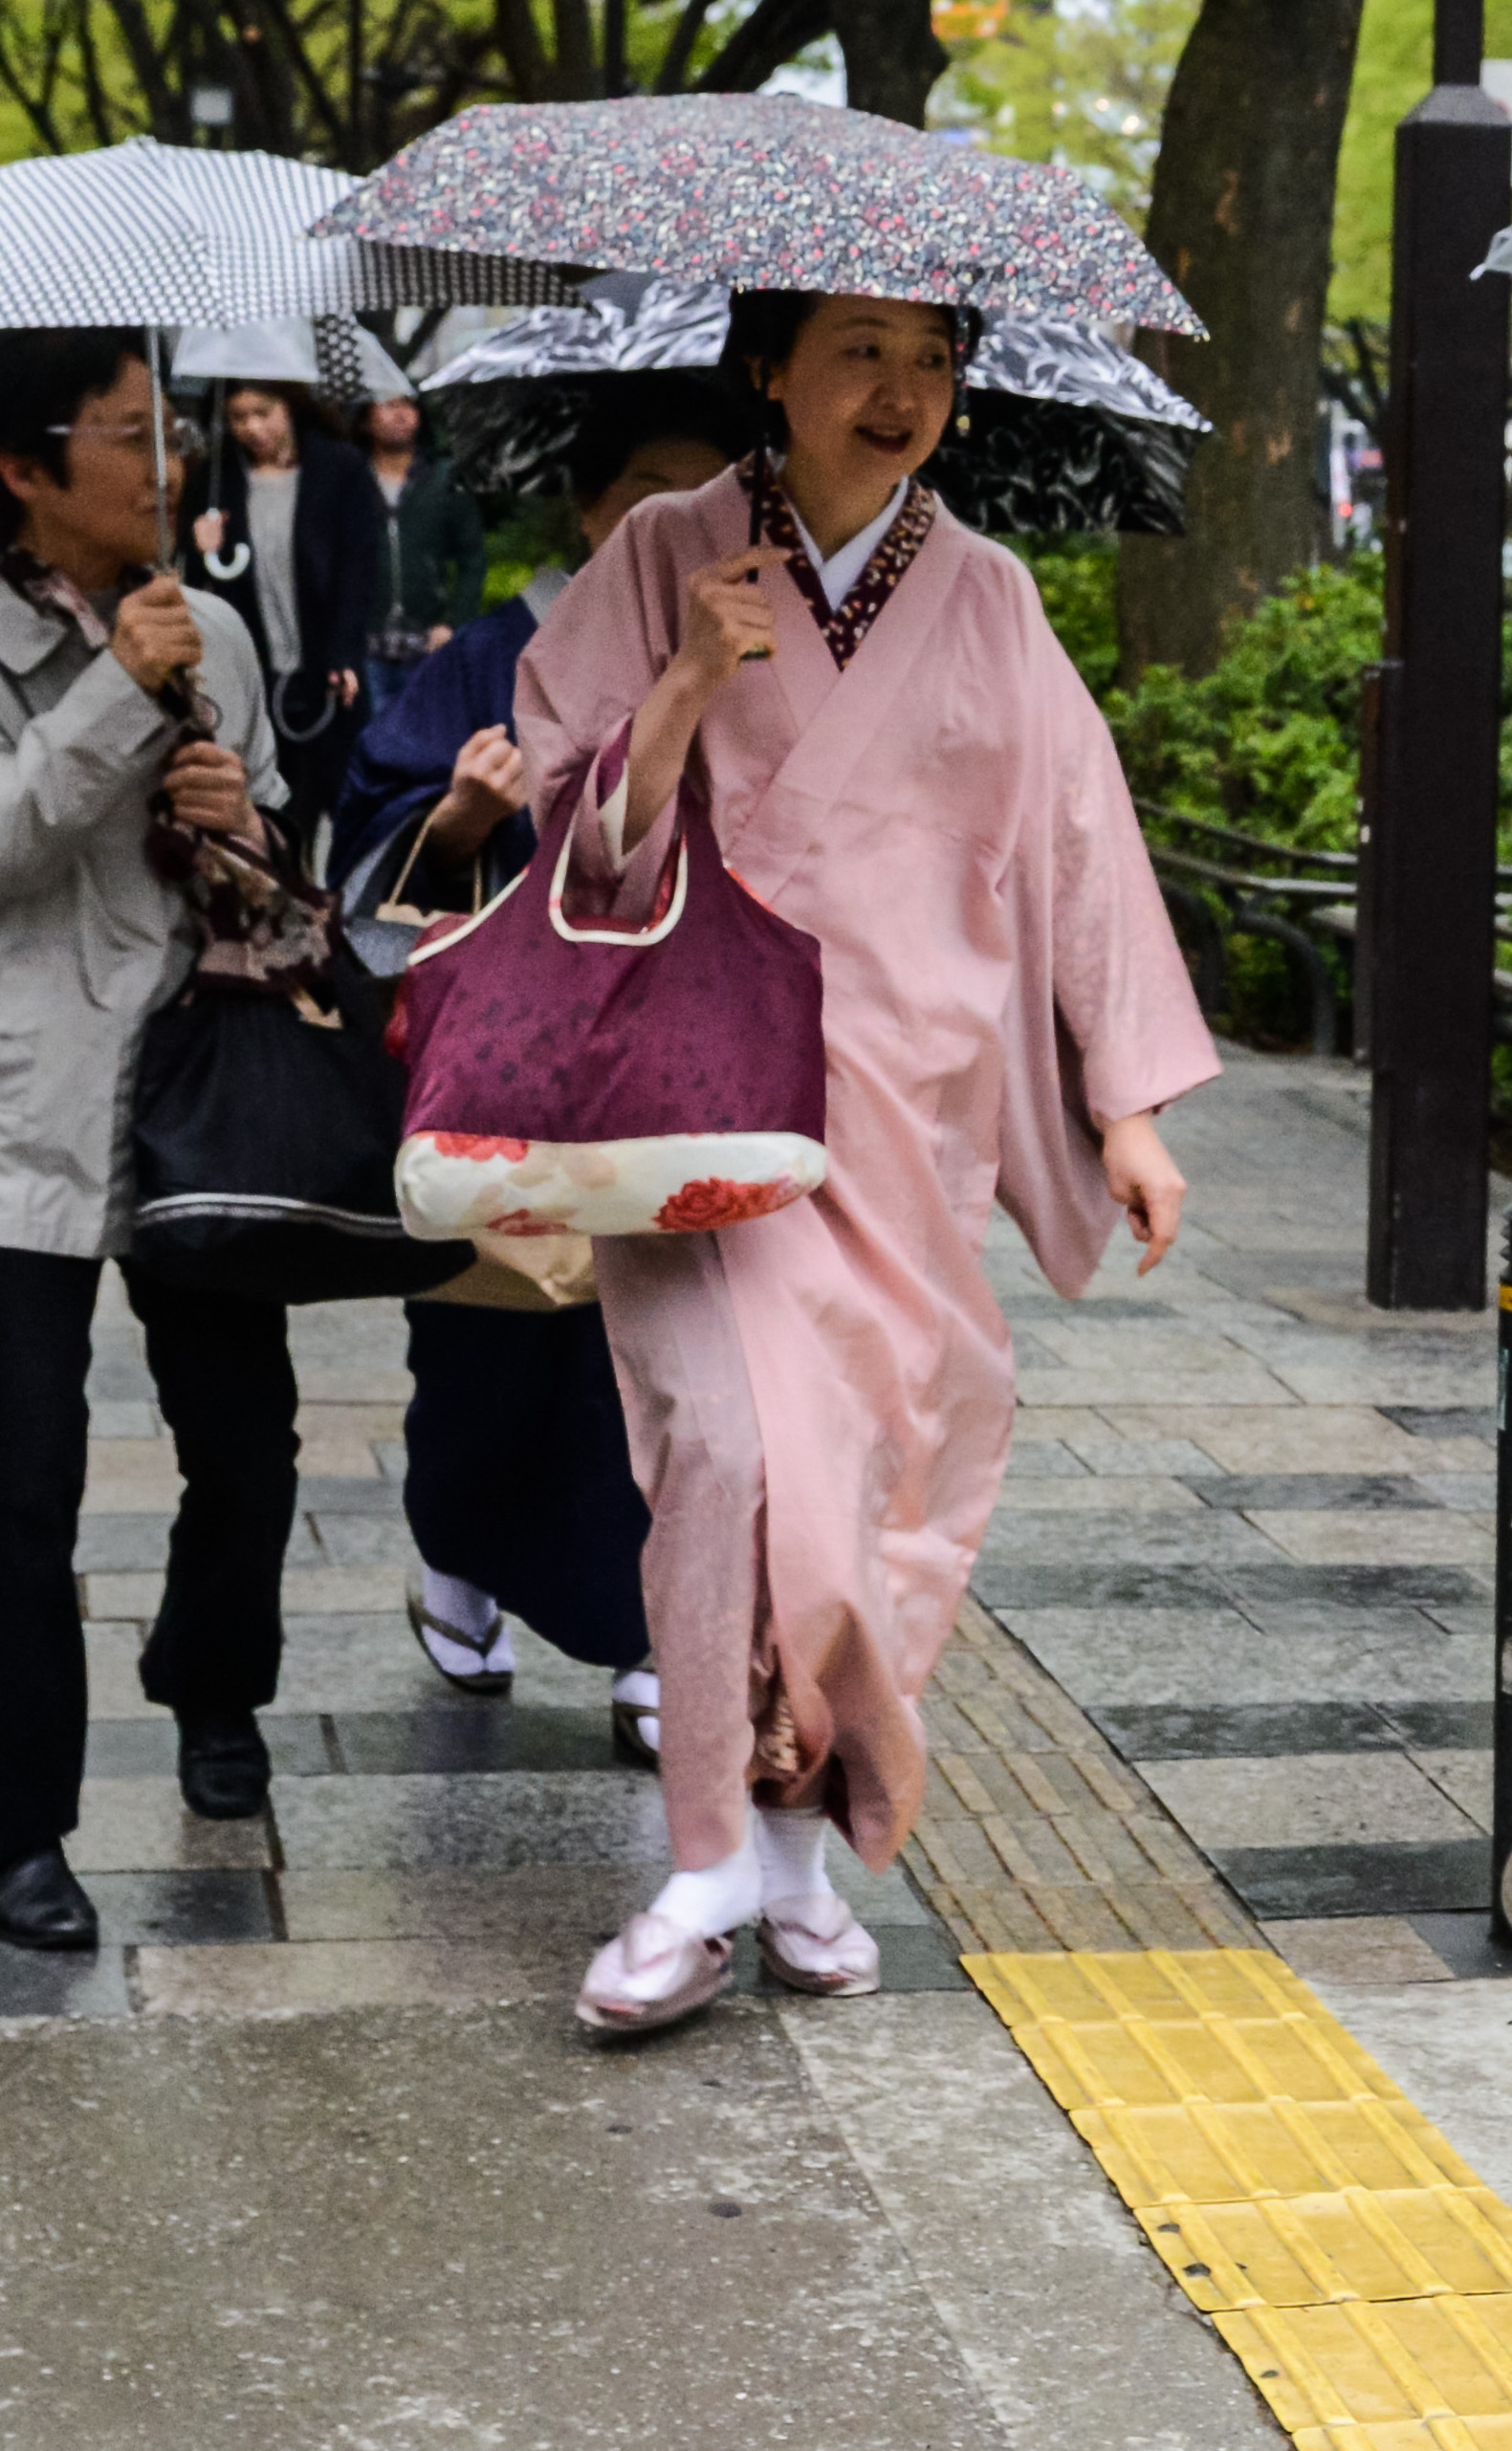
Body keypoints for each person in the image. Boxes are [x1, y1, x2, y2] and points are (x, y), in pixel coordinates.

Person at [515, 291, 1211, 2034]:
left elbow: (1074, 837)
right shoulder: (673, 550)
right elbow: (565, 833)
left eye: (933, 357)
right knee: (731, 1455)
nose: (902, 392)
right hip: (698, 1096)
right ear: (767, 367)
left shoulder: (988, 592)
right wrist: (684, 676)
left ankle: (801, 1851)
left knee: (882, 1483)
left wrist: (1119, 1100)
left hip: (909, 1107)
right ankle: (699, 1859)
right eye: (857, 351)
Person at [0, 333, 302, 1956]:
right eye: (127, 435)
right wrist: (120, 691)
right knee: (20, 1473)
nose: (164, 461)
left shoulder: (220, 628)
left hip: (195, 1088)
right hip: (17, 1107)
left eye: (165, 426)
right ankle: (13, 1835)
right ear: (25, 471)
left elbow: (265, 858)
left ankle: (211, 1678)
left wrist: (234, 822)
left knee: (245, 1439)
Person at [336, 385, 742, 1769]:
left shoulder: (752, 660)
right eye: (650, 493)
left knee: (660, 1369)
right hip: (506, 1077)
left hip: (683, 1071)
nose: (683, 529)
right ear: (585, 504)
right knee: (490, 1346)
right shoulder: (489, 659)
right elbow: (380, 844)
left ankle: (648, 1634)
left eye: (715, 499)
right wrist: (452, 822)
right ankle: (455, 1547)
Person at [185, 380, 384, 837]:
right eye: (238, 417)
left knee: (352, 809)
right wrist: (199, 548)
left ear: (289, 408)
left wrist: (346, 653)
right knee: (281, 813)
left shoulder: (340, 468)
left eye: (262, 412)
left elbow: (360, 567)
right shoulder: (216, 480)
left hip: (328, 672)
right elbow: (199, 588)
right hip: (258, 672)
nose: (252, 427)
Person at [362, 389, 485, 675]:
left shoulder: (446, 478)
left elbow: (473, 558)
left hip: (429, 643)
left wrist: (455, 622)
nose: (401, 414)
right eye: (388, 404)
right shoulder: (351, 478)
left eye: (409, 404)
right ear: (364, 418)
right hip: (365, 646)